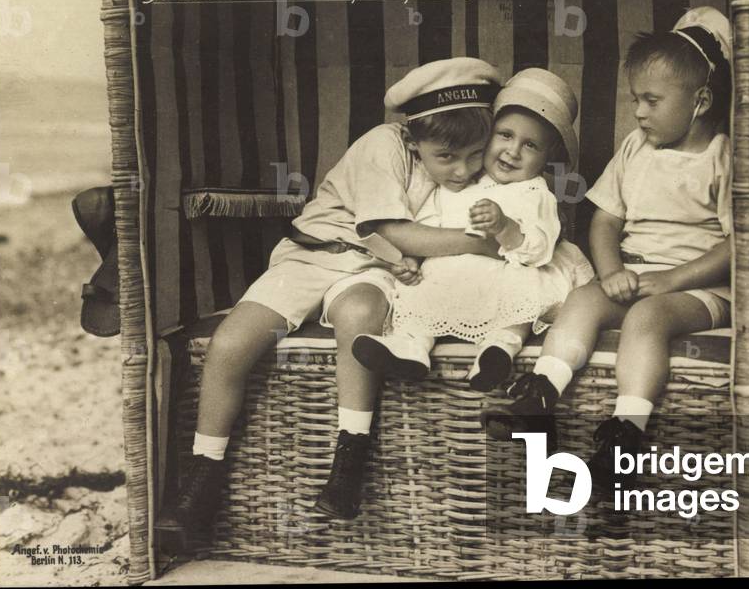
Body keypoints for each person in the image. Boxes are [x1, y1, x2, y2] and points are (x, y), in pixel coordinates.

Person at [155, 58, 504, 536]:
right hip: (313, 255)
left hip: (374, 267)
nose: (463, 170)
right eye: (447, 156)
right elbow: (397, 232)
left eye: (475, 154)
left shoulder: (477, 169)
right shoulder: (383, 145)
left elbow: (408, 248)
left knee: (360, 316)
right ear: (412, 136)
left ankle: (349, 463)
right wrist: (480, 243)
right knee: (232, 343)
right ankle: (204, 473)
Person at [482, 7, 735, 490]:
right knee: (581, 300)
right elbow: (605, 219)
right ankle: (542, 396)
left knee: (647, 318)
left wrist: (673, 280)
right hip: (635, 275)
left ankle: (627, 435)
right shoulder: (635, 148)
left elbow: (739, 243)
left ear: (700, 101)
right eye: (636, 99)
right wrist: (611, 269)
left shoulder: (721, 157)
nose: (638, 111)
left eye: (651, 100)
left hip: (699, 288)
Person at [352, 69, 594, 393]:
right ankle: (410, 347)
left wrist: (506, 227)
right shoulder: (459, 180)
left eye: (530, 145)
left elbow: (539, 248)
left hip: (509, 271)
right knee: (421, 296)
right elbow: (426, 227)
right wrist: (410, 260)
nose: (513, 151)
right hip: (451, 273)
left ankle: (499, 349)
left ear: (548, 157)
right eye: (505, 135)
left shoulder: (536, 192)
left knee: (521, 298)